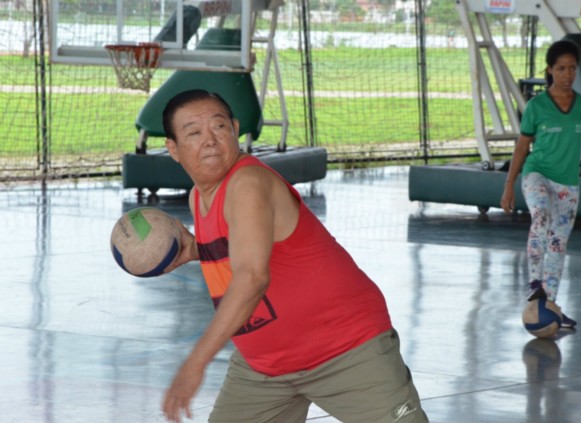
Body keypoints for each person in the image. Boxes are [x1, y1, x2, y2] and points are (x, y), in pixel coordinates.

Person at [160, 89, 429, 423]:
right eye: (194, 133)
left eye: (219, 127)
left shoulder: (247, 182)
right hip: (264, 370)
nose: (210, 140)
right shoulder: (198, 198)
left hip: (345, 350)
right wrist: (193, 249)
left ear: (235, 128)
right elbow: (248, 243)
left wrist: (194, 363)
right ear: (173, 148)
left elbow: (252, 278)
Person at [500, 40, 581, 328]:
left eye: (572, 68)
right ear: (550, 70)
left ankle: (549, 305)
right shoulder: (536, 106)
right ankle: (534, 283)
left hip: (567, 184)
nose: (567, 74)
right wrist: (508, 186)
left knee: (558, 242)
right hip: (536, 173)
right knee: (540, 214)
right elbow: (521, 147)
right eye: (561, 68)